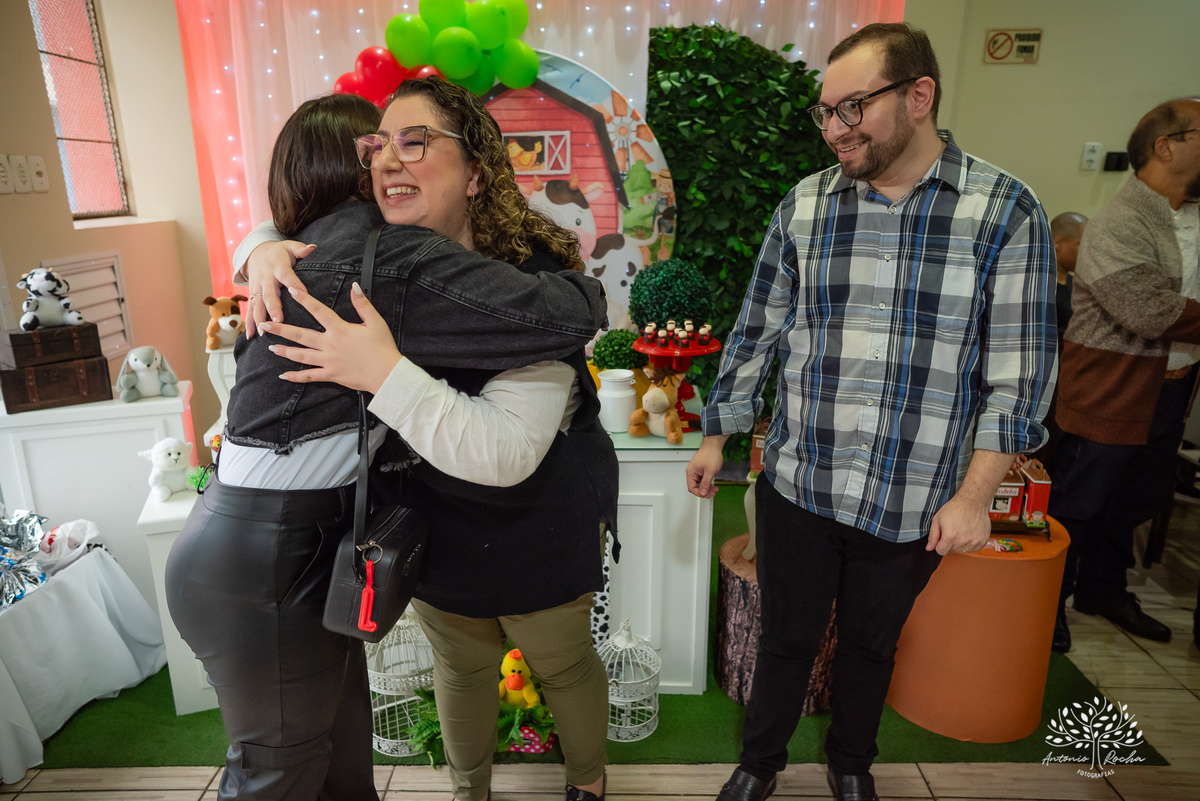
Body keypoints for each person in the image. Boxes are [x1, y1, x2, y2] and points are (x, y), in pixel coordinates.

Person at [166, 90, 609, 801]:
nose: (388, 160)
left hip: (530, 524)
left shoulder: (445, 266)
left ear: (475, 172)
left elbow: (510, 442)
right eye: (378, 146)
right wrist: (261, 250)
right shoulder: (368, 256)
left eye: (415, 141)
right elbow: (301, 234)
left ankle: (586, 784)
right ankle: (470, 790)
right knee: (318, 745)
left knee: (347, 752)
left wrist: (383, 371)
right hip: (396, 533)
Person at [684, 24, 1056, 801]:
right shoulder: (806, 205)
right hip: (798, 477)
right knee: (787, 638)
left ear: (919, 96)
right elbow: (758, 330)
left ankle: (852, 763)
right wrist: (719, 434)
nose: (834, 129)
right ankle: (759, 764)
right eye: (824, 111)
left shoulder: (1005, 211)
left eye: (853, 106)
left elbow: (1018, 378)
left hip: (914, 490)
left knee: (870, 642)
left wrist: (976, 496)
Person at [1049, 97, 1200, 648]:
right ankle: (1049, 603)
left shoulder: (1192, 213)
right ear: (1167, 145)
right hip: (1113, 386)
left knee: (1133, 500)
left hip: (1171, 389)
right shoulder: (1120, 221)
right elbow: (1147, 310)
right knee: (1080, 502)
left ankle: (1103, 590)